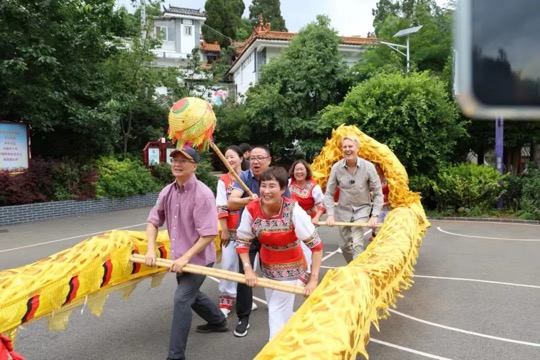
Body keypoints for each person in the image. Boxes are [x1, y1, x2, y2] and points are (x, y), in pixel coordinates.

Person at [145, 148, 228, 360]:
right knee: (191, 293)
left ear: (195, 166)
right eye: (174, 159)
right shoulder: (167, 191)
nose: (177, 163)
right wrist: (151, 249)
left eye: (184, 160)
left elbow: (209, 234)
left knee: (182, 299)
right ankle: (218, 320)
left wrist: (185, 257)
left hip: (198, 259)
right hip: (179, 257)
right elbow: (153, 221)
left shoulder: (203, 194)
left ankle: (176, 356)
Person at [236, 167, 323, 340]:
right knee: (280, 309)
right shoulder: (252, 209)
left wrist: (313, 279)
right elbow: (242, 241)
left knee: (276, 309)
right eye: (263, 186)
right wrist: (248, 269)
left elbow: (316, 247)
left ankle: (274, 350)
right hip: (267, 267)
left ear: (283, 189)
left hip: (292, 268)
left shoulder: (294, 210)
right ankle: (295, 339)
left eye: (272, 186)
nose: (266, 191)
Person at [227, 145, 290, 337]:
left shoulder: (277, 178)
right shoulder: (244, 177)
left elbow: (287, 205)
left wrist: (266, 200)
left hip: (271, 233)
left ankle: (277, 312)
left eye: (260, 158)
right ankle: (243, 317)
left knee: (271, 272)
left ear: (269, 160)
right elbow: (231, 202)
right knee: (245, 272)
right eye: (252, 158)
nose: (255, 161)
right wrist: (250, 201)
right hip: (247, 233)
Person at [323, 134, 383, 264]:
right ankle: (353, 266)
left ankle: (357, 275)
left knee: (357, 244)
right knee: (344, 246)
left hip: (362, 209)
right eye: (344, 147)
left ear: (357, 148)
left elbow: (378, 193)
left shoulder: (368, 167)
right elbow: (328, 194)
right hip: (343, 210)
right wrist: (330, 215)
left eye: (350, 146)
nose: (347, 149)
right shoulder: (336, 168)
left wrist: (374, 216)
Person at [215, 145, 243, 317]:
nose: (230, 160)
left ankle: (244, 299)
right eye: (226, 157)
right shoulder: (223, 180)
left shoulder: (249, 177)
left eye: (232, 156)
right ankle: (226, 300)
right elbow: (221, 204)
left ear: (241, 158)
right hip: (230, 230)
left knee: (247, 267)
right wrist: (224, 229)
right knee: (227, 265)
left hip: (249, 231)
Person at [288, 160, 325, 225]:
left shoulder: (314, 187)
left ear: (307, 171)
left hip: (309, 221)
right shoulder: (288, 183)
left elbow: (322, 204)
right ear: (293, 171)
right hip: (291, 220)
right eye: (296, 170)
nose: (299, 172)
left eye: (301, 169)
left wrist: (316, 218)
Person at [371, 163, 390, 241]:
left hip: (389, 207)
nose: (376, 168)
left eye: (377, 166)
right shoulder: (375, 179)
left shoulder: (389, 179)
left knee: (387, 225)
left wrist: (389, 202)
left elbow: (394, 193)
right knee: (376, 226)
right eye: (375, 166)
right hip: (379, 207)